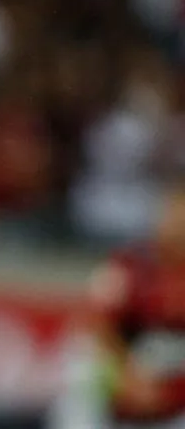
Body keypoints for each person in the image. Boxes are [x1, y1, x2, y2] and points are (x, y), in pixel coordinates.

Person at [89, 181, 185, 428]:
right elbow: (99, 327)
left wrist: (172, 390)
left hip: (178, 386)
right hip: (128, 369)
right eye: (172, 216)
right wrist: (128, 377)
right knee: (84, 369)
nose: (176, 227)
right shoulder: (128, 264)